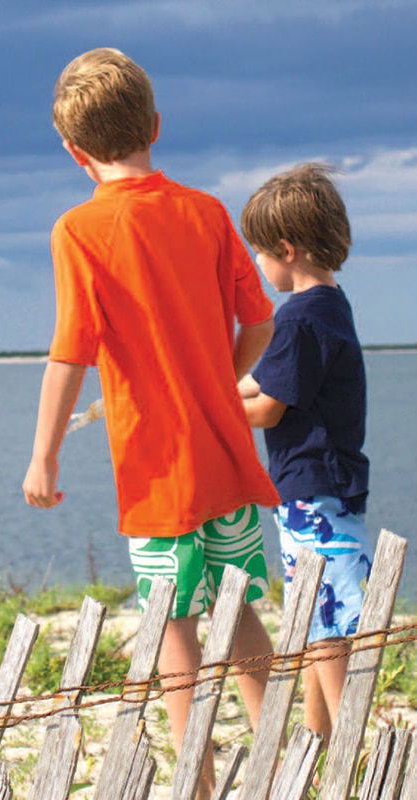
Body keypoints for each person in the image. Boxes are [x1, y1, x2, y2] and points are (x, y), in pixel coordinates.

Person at [22, 47, 280, 798]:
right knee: (240, 614)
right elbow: (259, 321)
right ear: (156, 126)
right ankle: (274, 764)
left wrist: (44, 457)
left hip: (156, 473)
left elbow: (70, 353)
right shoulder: (207, 212)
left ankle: (196, 784)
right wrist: (218, 379)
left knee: (175, 631)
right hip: (227, 460)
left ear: (74, 153)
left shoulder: (79, 230)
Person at [239, 163, 373, 745]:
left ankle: (348, 748)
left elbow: (265, 407)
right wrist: (210, 388)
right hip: (328, 484)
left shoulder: (296, 317)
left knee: (329, 628)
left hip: (311, 489)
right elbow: (258, 384)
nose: (258, 266)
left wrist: (199, 412)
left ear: (285, 250)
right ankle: (317, 745)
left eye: (260, 254)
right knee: (319, 617)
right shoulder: (331, 305)